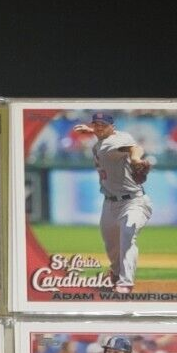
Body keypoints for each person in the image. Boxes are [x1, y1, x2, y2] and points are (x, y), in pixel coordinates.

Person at [70, 112, 152, 294]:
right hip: (109, 204)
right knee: (111, 245)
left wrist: (136, 159)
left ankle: (126, 283)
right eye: (96, 124)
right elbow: (103, 134)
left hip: (134, 201)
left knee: (128, 234)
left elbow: (134, 148)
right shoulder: (100, 142)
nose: (99, 127)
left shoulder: (116, 140)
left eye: (103, 124)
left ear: (112, 127)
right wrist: (91, 130)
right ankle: (115, 273)